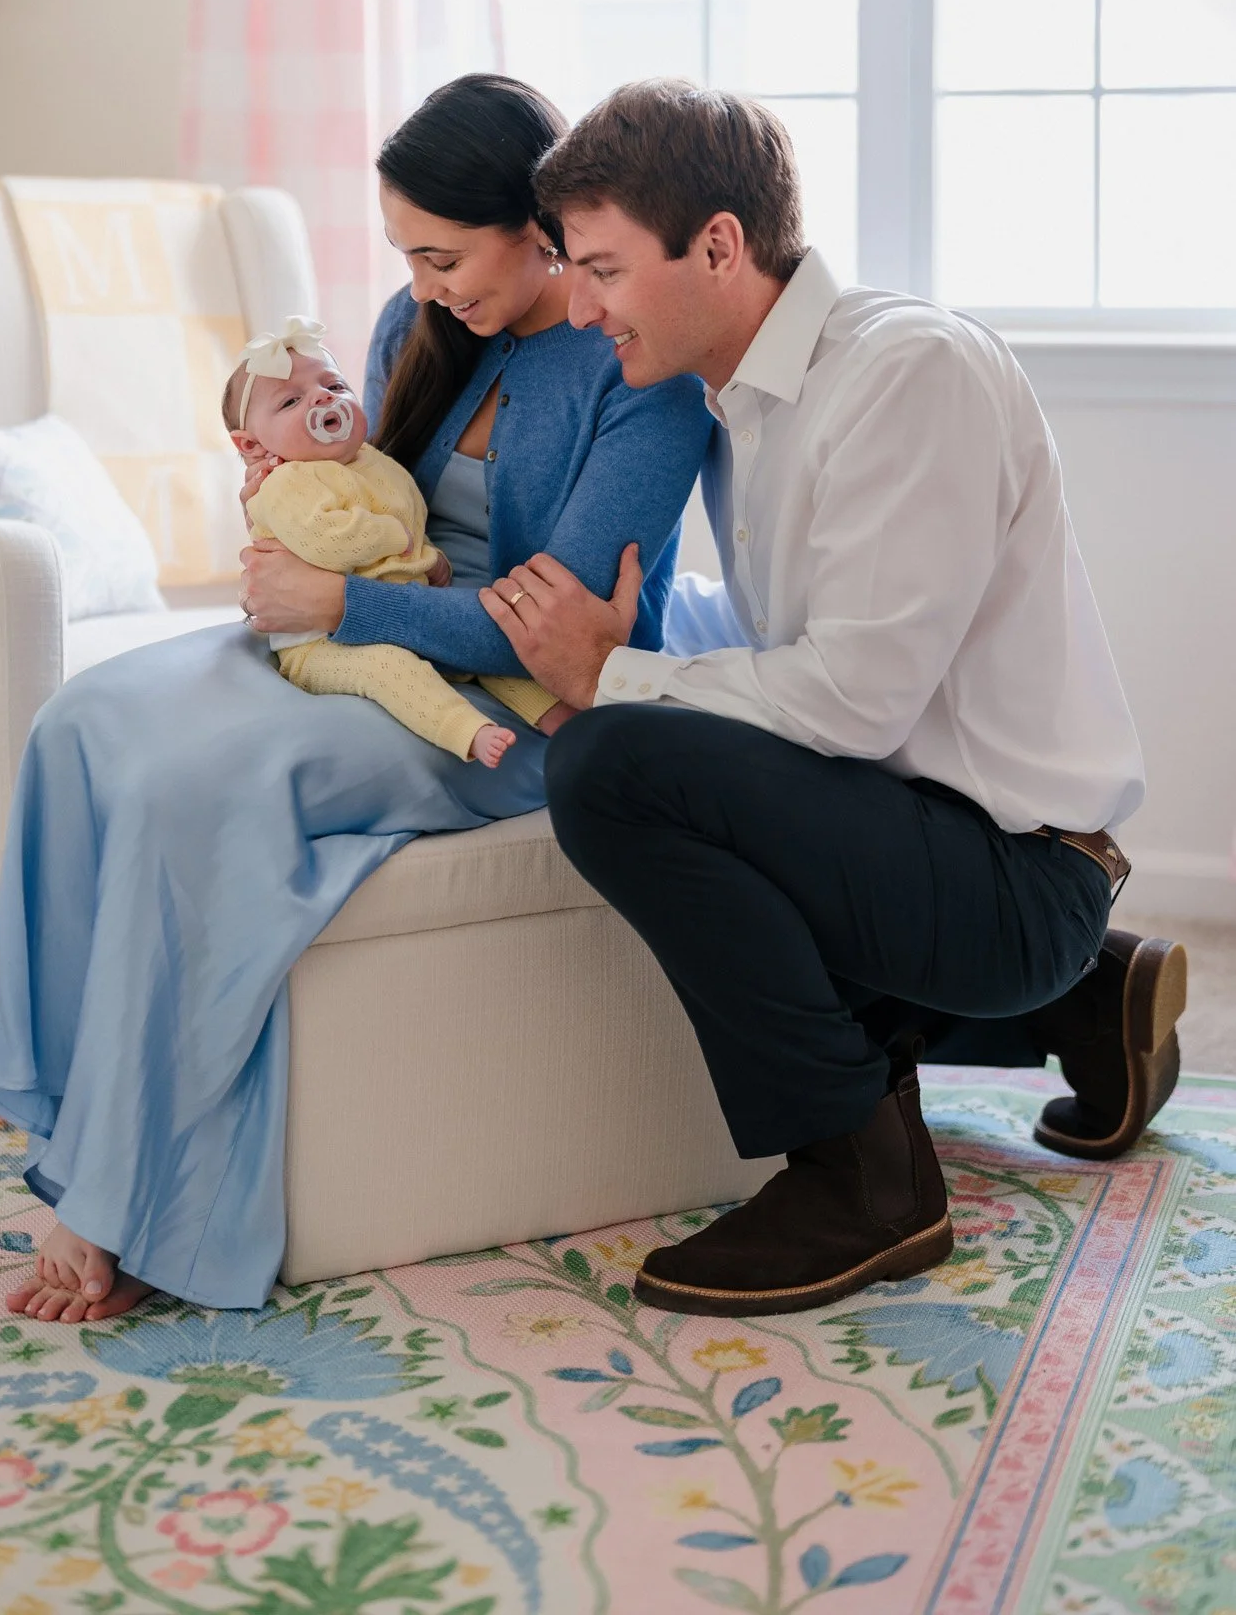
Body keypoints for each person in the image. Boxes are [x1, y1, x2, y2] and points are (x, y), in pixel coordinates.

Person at [0, 73, 713, 1323]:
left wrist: (342, 606)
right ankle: (74, 1109)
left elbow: (552, 623)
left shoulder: (639, 375)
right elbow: (347, 508)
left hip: (509, 707)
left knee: (195, 785)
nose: (422, 284)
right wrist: (285, 542)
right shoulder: (420, 331)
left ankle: (135, 1194)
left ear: (543, 227)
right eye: (406, 254)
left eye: (442, 253)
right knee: (84, 722)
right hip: (346, 648)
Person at [478, 77, 1183, 1320]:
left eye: (601, 269)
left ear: (718, 244)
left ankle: (862, 1174)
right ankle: (1091, 999)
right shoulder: (736, 395)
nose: (581, 309)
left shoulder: (907, 372)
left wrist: (614, 678)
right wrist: (618, 636)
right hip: (934, 845)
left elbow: (853, 700)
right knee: (672, 775)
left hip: (1019, 872)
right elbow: (794, 656)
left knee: (617, 769)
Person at [225, 315, 559, 766]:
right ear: (250, 446)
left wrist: (431, 558)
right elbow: (329, 542)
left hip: (396, 612)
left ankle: (559, 714)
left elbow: (411, 517)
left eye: (335, 386)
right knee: (388, 669)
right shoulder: (286, 482)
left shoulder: (372, 463)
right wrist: (392, 536)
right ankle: (465, 729)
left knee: (485, 659)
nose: (323, 398)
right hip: (324, 644)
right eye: (290, 401)